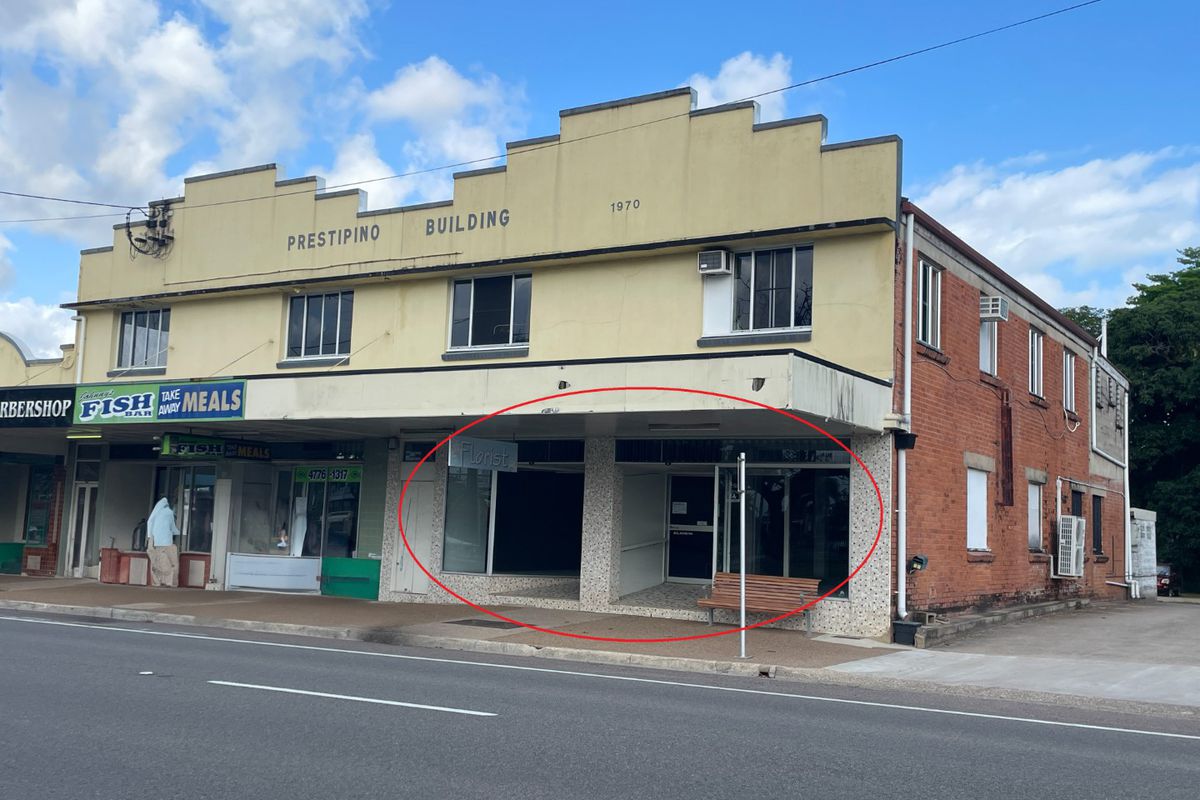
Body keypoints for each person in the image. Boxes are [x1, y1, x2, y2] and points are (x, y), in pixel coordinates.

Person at [146, 497, 180, 587]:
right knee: (172, 564)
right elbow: (173, 528)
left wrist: (150, 538)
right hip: (167, 543)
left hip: (157, 543)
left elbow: (150, 522)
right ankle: (170, 582)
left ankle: (157, 582)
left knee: (156, 563)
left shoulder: (156, 514)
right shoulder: (169, 513)